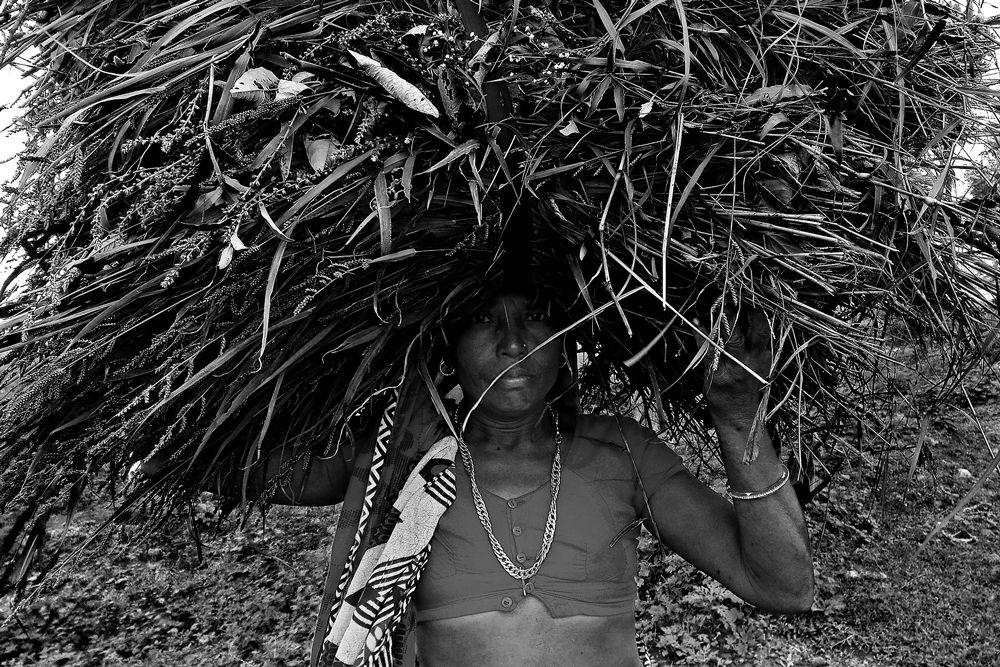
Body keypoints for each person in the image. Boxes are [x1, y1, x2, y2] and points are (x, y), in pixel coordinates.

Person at [258, 288, 814, 667]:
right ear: (445, 343)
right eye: (482, 319)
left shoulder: (620, 451)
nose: (514, 342)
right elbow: (229, 467)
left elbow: (783, 586)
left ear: (568, 334)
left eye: (536, 316)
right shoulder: (399, 462)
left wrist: (739, 418)